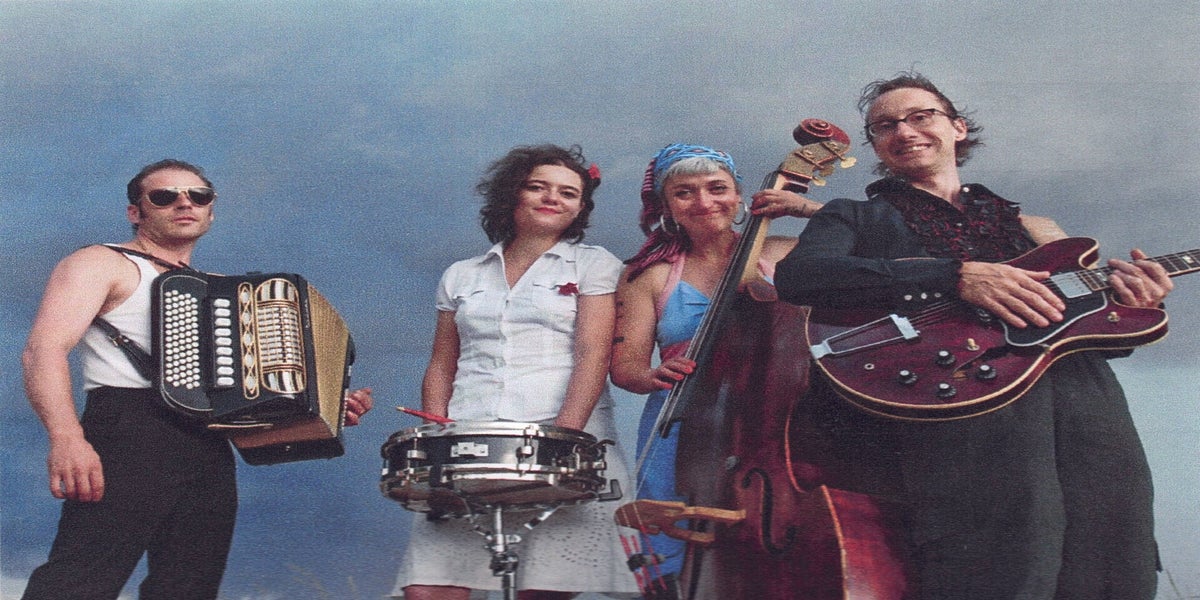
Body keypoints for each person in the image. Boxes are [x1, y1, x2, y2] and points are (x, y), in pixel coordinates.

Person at [773, 71, 1169, 599]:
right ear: (876, 145)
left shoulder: (1030, 227)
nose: (904, 130)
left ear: (957, 128)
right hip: (961, 409)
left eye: (921, 116)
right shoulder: (856, 216)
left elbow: (1079, 324)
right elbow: (801, 277)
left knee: (1115, 550)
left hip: (1083, 402)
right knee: (1005, 558)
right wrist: (954, 275)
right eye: (885, 125)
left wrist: (1133, 305)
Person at [20, 159, 374, 600]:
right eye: (164, 196)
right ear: (135, 212)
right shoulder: (102, 262)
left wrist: (324, 410)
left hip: (207, 442)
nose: (184, 203)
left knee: (189, 587)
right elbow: (43, 350)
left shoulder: (223, 291)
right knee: (80, 580)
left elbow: (252, 397)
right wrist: (66, 438)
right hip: (127, 429)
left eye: (198, 196)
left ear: (210, 209)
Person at [391, 145, 638, 600]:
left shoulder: (595, 264)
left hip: (566, 440)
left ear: (580, 208)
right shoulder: (461, 274)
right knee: (430, 590)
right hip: (472, 443)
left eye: (568, 193)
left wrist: (561, 443)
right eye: (538, 187)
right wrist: (438, 436)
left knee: (543, 591)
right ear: (513, 194)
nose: (552, 198)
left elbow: (592, 355)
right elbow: (442, 363)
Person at [608, 143, 822, 597]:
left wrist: (808, 208)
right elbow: (626, 369)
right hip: (682, 425)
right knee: (675, 562)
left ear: (741, 196)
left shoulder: (787, 252)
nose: (704, 202)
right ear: (666, 207)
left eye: (717, 188)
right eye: (684, 192)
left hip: (775, 419)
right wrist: (650, 377)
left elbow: (884, 243)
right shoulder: (647, 274)